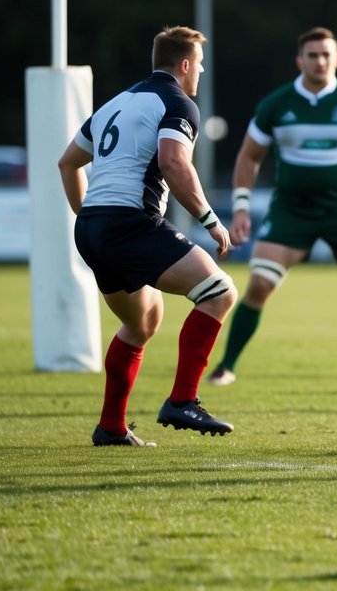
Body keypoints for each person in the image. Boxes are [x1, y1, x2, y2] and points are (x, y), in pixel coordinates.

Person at [205, 27, 337, 386]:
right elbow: (249, 157)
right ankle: (227, 365)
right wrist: (241, 209)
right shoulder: (276, 104)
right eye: (312, 55)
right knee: (258, 286)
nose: (320, 61)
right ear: (299, 60)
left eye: (326, 54)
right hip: (291, 211)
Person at [57, 25, 238, 447]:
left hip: (93, 230)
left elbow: (67, 164)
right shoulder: (178, 102)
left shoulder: (115, 103)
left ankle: (111, 428)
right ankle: (182, 400)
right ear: (186, 64)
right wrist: (211, 219)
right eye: (201, 67)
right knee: (219, 292)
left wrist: (87, 214)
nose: (201, 75)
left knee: (143, 322)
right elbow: (174, 163)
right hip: (130, 225)